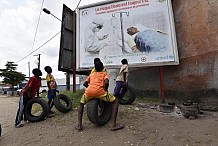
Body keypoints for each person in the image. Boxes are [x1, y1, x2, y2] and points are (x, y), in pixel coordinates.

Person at [75, 61, 124, 131]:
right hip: (100, 92)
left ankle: (79, 125)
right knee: (115, 101)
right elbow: (106, 82)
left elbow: (84, 84)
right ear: (103, 67)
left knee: (81, 104)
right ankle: (113, 125)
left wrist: (90, 87)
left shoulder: (91, 74)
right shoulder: (104, 74)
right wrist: (105, 89)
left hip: (89, 92)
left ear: (95, 68)